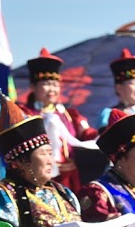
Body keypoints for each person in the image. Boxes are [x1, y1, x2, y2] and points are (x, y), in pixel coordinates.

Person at [21, 48, 98, 192]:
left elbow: (86, 133)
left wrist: (102, 132)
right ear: (33, 86)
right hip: (38, 177)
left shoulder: (69, 114)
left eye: (55, 84)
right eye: (46, 84)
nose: (52, 89)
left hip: (68, 178)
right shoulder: (25, 114)